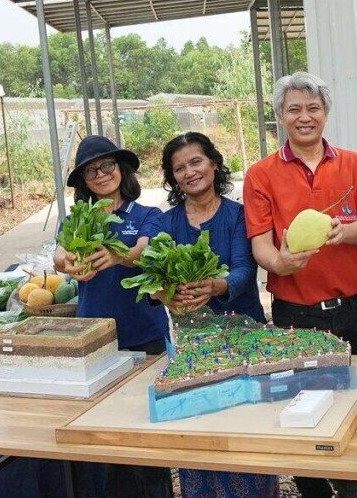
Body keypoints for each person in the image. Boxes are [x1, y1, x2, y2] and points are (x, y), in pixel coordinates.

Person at [244, 71, 357, 498]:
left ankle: (353, 487)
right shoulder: (261, 174)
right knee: (301, 404)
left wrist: (347, 232)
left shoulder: (354, 163)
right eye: (294, 109)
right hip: (294, 310)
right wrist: (280, 263)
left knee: (352, 402)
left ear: (326, 113)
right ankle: (314, 487)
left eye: (313, 108)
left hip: (352, 305)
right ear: (280, 116)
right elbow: (261, 247)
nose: (305, 117)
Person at [143, 132, 274, 498]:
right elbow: (151, 276)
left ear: (214, 164)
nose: (190, 172)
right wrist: (166, 293)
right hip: (193, 347)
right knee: (198, 427)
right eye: (179, 168)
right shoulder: (166, 224)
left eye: (196, 162)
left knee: (246, 427)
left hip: (246, 339)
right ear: (172, 178)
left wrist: (214, 286)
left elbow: (244, 271)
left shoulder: (238, 215)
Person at [53, 134, 172, 498]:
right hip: (98, 336)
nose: (101, 174)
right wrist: (68, 262)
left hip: (143, 332)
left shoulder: (148, 214)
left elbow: (144, 249)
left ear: (121, 169)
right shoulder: (78, 220)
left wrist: (119, 257)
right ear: (84, 182)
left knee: (147, 429)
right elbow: (59, 256)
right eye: (91, 171)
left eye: (107, 165)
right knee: (106, 431)